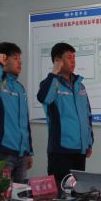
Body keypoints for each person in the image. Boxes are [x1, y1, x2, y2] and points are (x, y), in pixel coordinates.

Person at [37, 42, 93, 186]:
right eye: (69, 57)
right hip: (61, 150)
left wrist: (88, 142)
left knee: (78, 190)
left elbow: (87, 115)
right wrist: (54, 73)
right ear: (58, 60)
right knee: (60, 192)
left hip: (80, 150)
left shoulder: (79, 85)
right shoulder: (50, 84)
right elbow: (44, 98)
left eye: (74, 57)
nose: (73, 61)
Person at [0, 42, 33, 183]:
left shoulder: (19, 88)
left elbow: (24, 122)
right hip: (1, 152)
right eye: (15, 58)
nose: (20, 62)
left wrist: (28, 151)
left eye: (19, 58)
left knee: (20, 193)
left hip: (21, 155)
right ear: (4, 59)